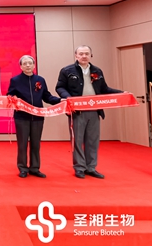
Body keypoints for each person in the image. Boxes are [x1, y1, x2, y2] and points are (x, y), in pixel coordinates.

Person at [55, 45, 122, 179]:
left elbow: (104, 89)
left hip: (94, 110)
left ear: (91, 55)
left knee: (92, 140)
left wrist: (122, 93)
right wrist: (69, 98)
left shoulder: (97, 71)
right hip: (77, 111)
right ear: (76, 55)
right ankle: (80, 167)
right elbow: (60, 87)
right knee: (77, 140)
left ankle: (91, 167)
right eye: (81, 54)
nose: (84, 56)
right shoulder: (67, 70)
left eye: (86, 53)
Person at [7, 55, 61, 178]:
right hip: (21, 117)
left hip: (37, 117)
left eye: (30, 63)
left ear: (34, 65)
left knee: (36, 144)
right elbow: (10, 95)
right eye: (25, 63)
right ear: (21, 66)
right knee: (22, 144)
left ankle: (35, 168)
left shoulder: (40, 80)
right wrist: (13, 98)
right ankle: (23, 168)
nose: (27, 65)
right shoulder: (15, 80)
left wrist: (60, 100)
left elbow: (47, 96)